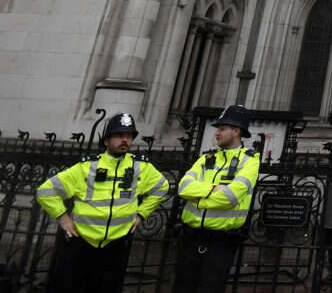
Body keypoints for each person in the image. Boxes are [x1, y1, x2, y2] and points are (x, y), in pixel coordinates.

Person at [35, 112, 170, 293]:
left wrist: (141, 215)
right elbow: (45, 191)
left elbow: (162, 188)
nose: (125, 140)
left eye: (129, 136)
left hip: (115, 247)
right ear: (106, 141)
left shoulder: (141, 167)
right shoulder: (87, 167)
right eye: (120, 135)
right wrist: (63, 217)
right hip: (81, 244)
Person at [173, 104, 260, 293]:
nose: (217, 133)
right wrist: (214, 188)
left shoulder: (250, 161)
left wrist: (197, 196)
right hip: (190, 237)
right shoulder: (206, 158)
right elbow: (183, 187)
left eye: (222, 128)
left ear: (236, 131)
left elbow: (230, 196)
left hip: (221, 242)